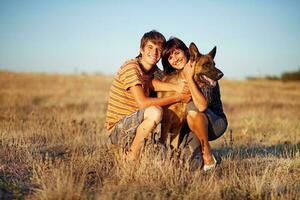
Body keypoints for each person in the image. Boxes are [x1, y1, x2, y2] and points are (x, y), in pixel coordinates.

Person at [104, 31, 191, 161]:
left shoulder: (153, 71)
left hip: (138, 127)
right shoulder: (131, 67)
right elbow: (143, 103)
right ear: (141, 49)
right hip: (119, 130)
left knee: (160, 160)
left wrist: (177, 87)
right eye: (150, 47)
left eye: (159, 49)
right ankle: (131, 157)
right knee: (155, 111)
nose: (154, 52)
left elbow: (152, 83)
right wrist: (178, 97)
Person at [161, 37, 228, 171]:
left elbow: (202, 106)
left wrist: (189, 78)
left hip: (214, 123)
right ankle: (204, 157)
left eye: (177, 53)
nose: (175, 58)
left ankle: (207, 153)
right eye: (170, 57)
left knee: (191, 105)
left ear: (187, 54)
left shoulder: (208, 80)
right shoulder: (171, 76)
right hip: (189, 128)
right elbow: (152, 81)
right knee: (190, 164)